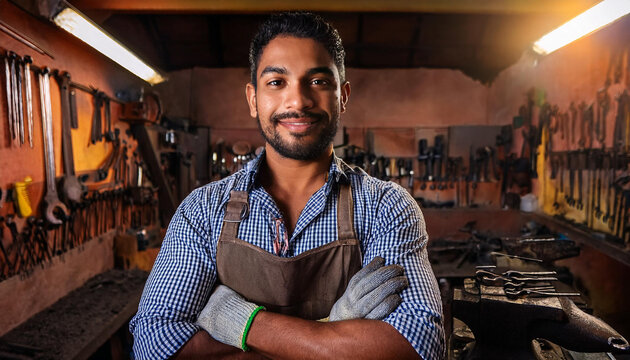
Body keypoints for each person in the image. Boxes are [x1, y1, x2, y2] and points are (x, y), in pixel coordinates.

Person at [130, 12, 444, 360]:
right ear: (253, 99)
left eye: (319, 81)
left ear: (343, 96)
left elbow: (419, 346)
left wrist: (241, 322)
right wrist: (334, 332)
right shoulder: (201, 211)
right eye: (277, 82)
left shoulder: (386, 207)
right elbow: (153, 345)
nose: (298, 101)